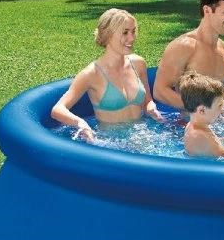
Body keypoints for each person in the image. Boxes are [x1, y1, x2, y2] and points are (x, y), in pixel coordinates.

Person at [51, 8, 163, 142]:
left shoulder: (138, 64)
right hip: (112, 144)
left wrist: (151, 108)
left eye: (133, 31)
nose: (132, 38)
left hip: (144, 136)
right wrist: (80, 123)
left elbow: (147, 100)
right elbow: (57, 110)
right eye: (125, 32)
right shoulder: (92, 74)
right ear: (108, 35)